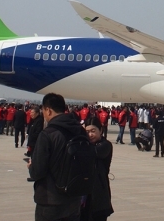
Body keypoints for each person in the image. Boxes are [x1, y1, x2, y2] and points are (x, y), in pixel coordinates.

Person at [28, 93, 86, 221]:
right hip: (74, 197)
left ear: (48, 110)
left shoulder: (48, 134)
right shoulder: (80, 131)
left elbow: (38, 171)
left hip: (51, 200)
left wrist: (31, 166)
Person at [80, 118, 114, 221]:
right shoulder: (84, 145)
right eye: (87, 132)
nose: (90, 135)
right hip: (84, 195)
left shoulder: (105, 145)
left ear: (101, 130)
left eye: (93, 131)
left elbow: (94, 153)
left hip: (99, 193)